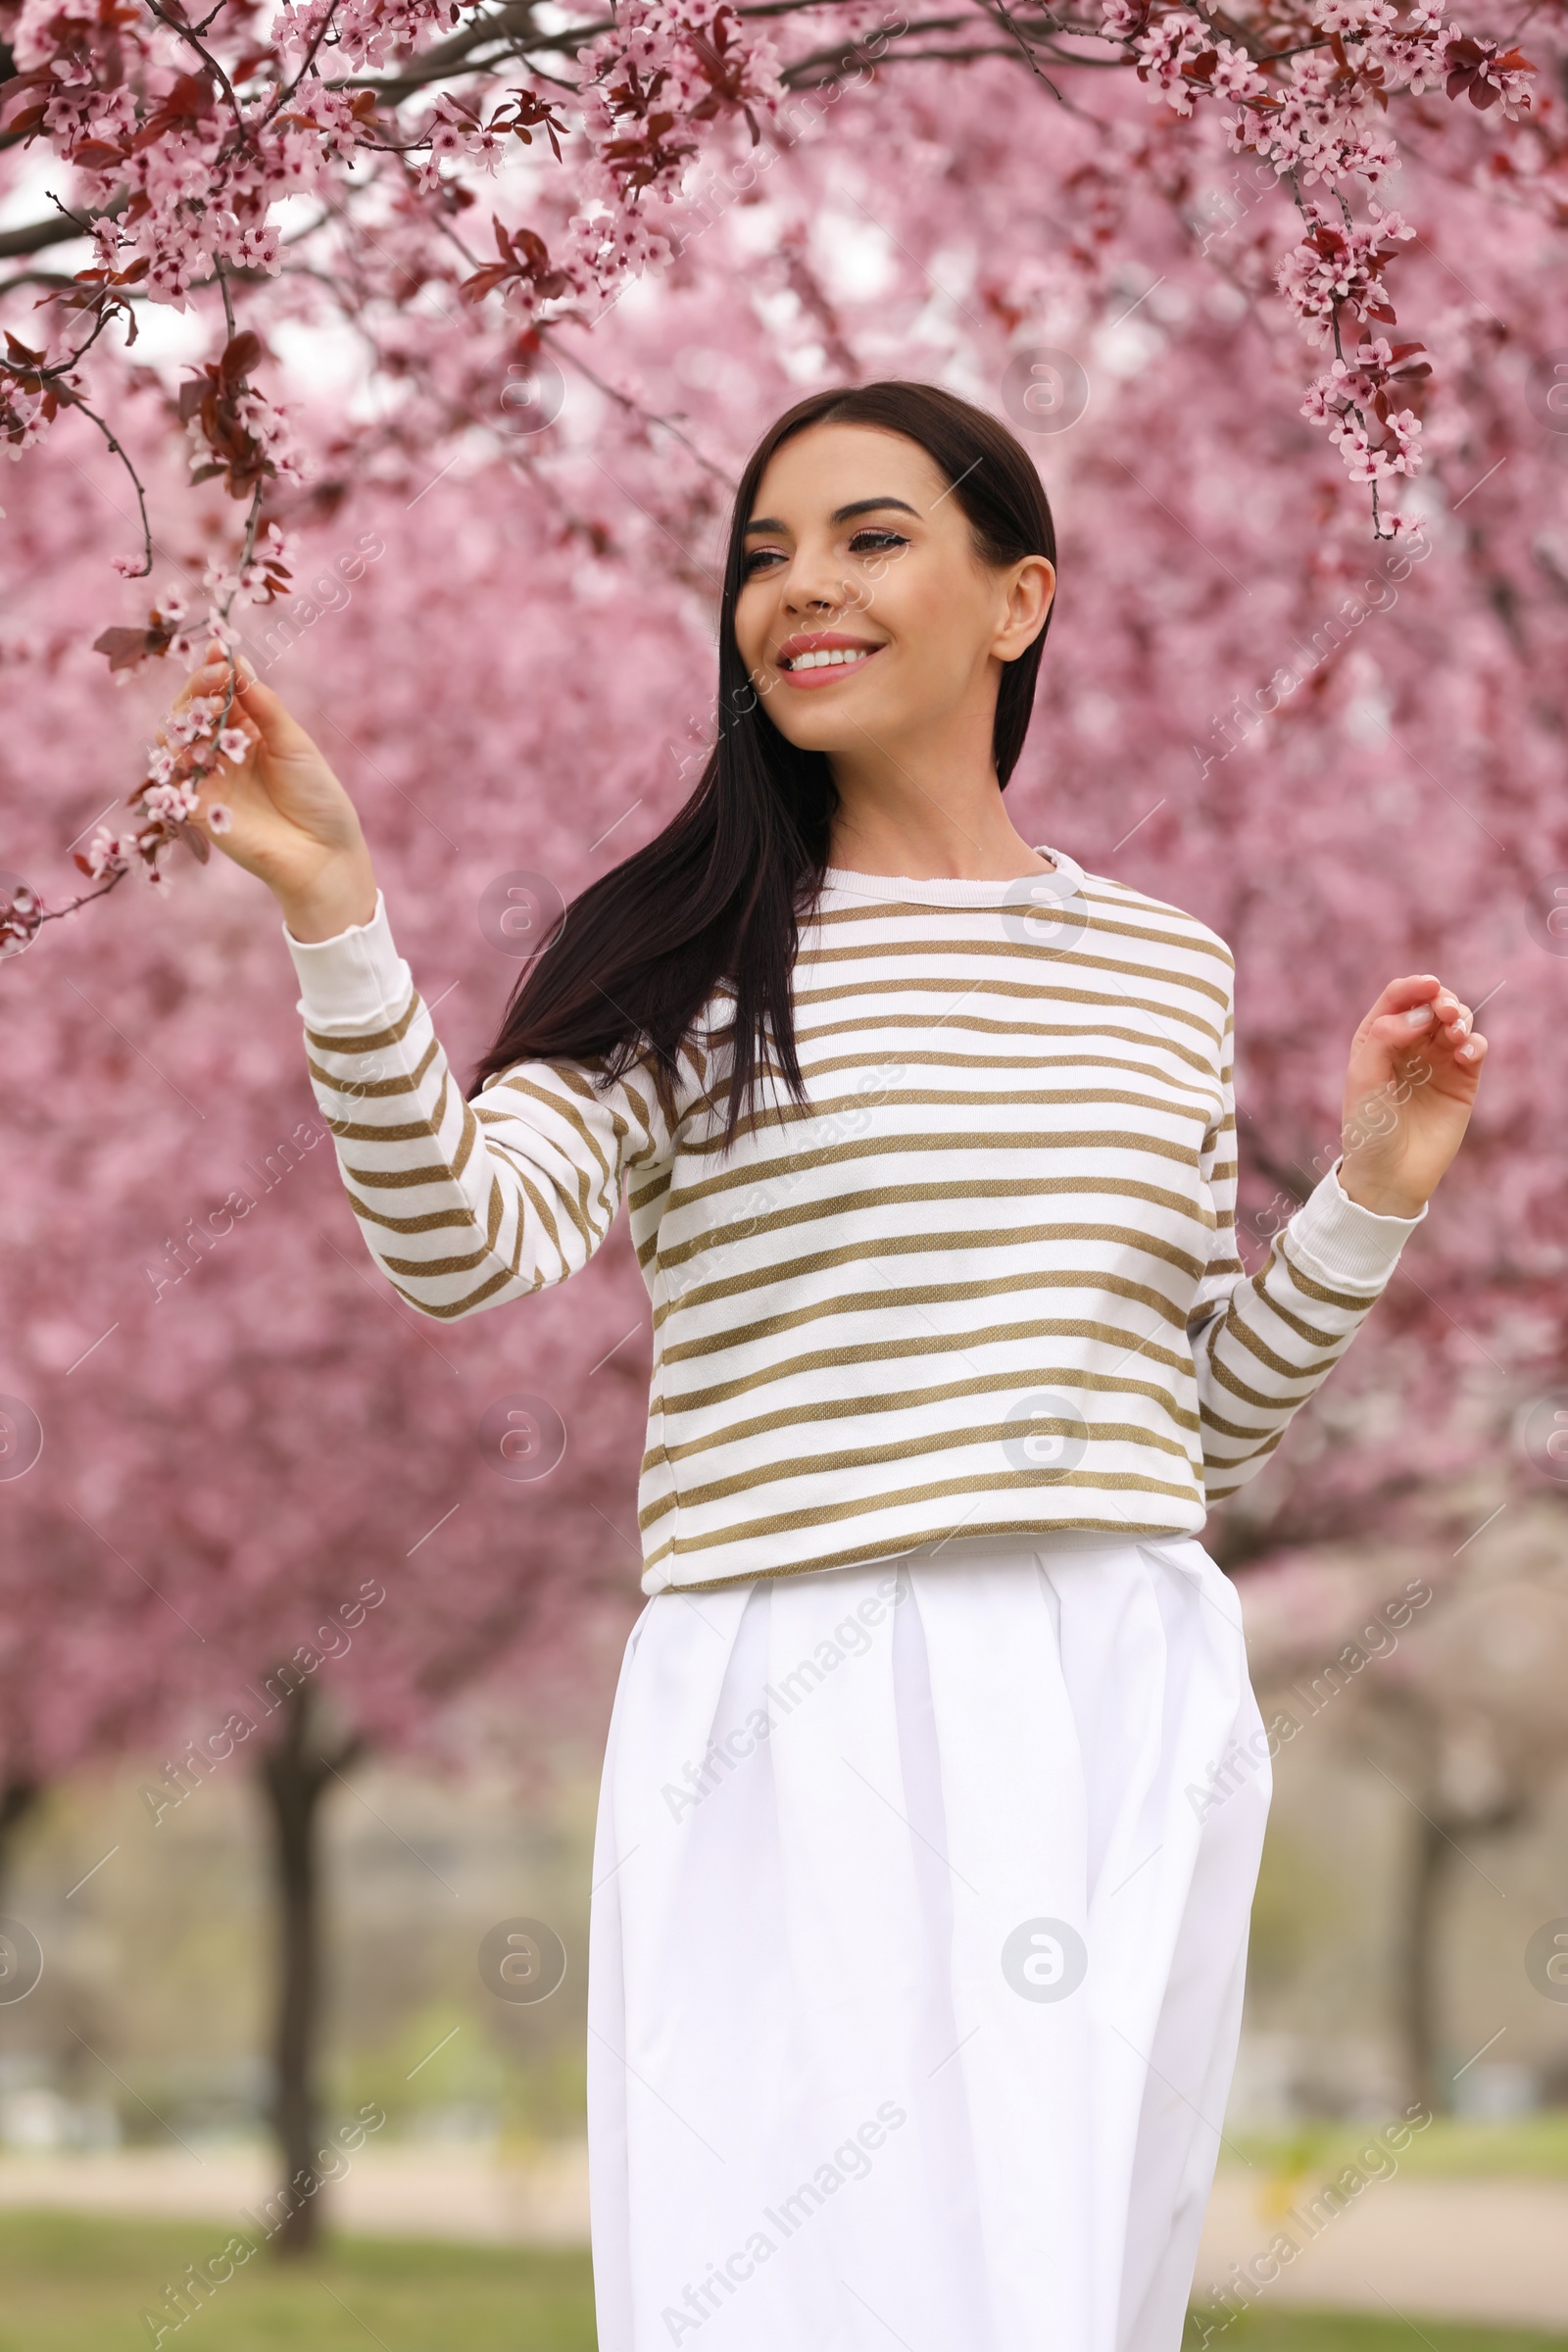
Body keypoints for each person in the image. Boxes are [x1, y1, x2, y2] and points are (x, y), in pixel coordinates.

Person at [163, 380, 1486, 2352]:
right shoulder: (689, 957)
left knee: (1065, 2296)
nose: (798, 591)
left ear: (1012, 600)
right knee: (805, 2289)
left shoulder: (1161, 971)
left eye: (867, 539)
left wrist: (1366, 1198)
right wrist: (342, 923)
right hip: (802, 1684)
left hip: (1120, 1675)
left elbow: (1175, 1419)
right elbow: (460, 1242)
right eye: (764, 555)